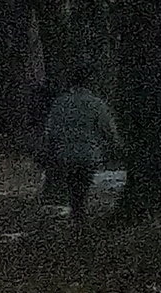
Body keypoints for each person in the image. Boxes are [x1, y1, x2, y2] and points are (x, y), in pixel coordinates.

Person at [40, 67, 120, 222]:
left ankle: (76, 209)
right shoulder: (96, 104)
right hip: (88, 152)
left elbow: (51, 129)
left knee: (72, 180)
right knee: (83, 180)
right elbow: (107, 127)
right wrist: (114, 144)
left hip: (66, 152)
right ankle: (79, 210)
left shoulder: (61, 103)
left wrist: (51, 147)